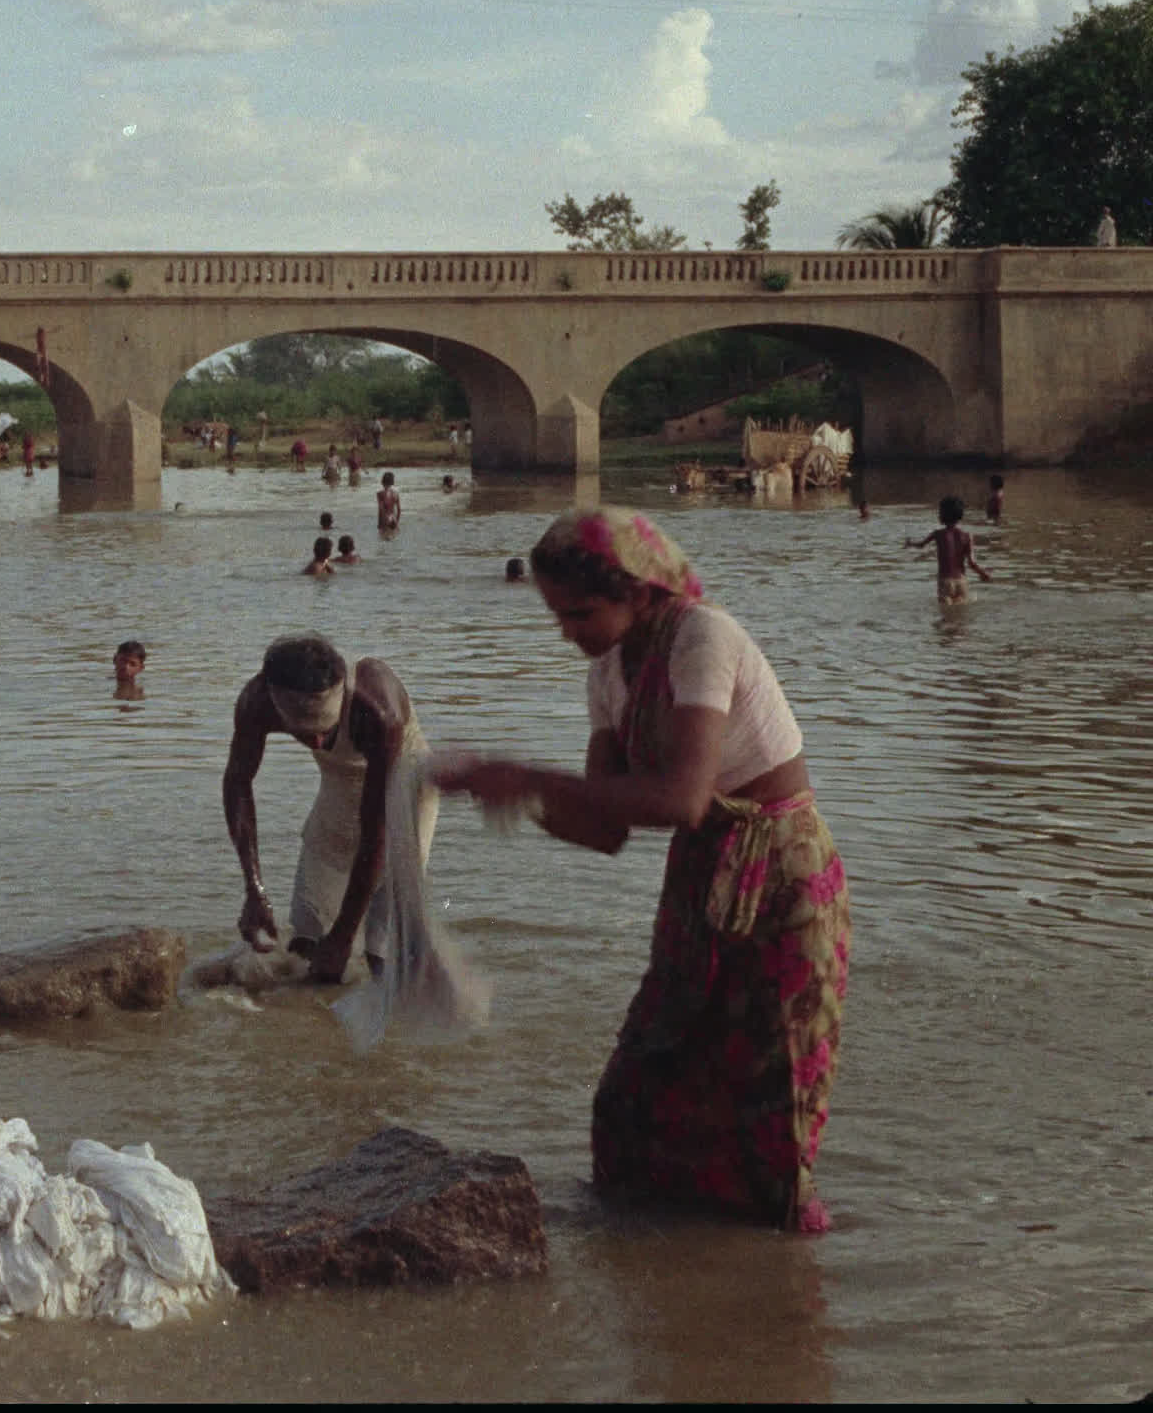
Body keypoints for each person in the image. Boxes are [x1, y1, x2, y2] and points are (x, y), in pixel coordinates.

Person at [428, 508, 849, 1233]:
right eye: (558, 616)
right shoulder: (608, 673)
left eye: (582, 613)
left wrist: (531, 774)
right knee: (635, 1096)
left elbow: (682, 799)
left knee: (773, 1090)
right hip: (700, 876)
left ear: (643, 592)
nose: (569, 631)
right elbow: (606, 831)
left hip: (781, 871)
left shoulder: (702, 636)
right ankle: (661, 1274)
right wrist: (513, 794)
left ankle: (784, 1290)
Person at [222, 633, 438, 985]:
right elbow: (237, 784)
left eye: (325, 731)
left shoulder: (378, 711)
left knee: (380, 947)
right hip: (339, 781)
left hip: (405, 783)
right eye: (305, 734)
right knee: (307, 934)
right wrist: (253, 890)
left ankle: (402, 1020)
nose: (319, 743)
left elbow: (375, 833)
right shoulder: (256, 701)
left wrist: (342, 936)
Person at [905, 494, 992, 602]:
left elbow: (921, 545)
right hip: (961, 581)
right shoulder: (967, 536)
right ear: (960, 515)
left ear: (942, 515)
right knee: (960, 616)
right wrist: (983, 573)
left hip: (945, 582)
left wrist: (910, 544)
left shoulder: (938, 534)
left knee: (946, 617)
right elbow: (971, 563)